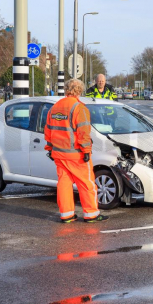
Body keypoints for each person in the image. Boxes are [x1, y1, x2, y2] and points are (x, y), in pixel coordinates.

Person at [44, 78, 108, 223]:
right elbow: (83, 133)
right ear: (80, 90)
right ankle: (91, 214)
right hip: (76, 155)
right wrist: (86, 151)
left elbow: (48, 131)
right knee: (86, 183)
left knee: (64, 184)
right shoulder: (79, 108)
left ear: (67, 89)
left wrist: (50, 149)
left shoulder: (54, 108)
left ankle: (67, 215)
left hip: (59, 154)